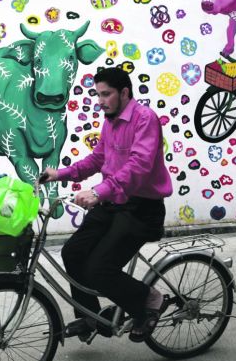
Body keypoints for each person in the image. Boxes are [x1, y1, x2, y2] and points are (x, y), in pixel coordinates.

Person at [41, 66, 173, 343]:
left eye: (106, 94)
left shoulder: (144, 119)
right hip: (114, 202)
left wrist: (100, 192)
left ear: (124, 92)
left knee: (99, 268)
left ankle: (151, 300)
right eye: (97, 94)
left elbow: (139, 166)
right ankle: (91, 317)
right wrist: (61, 174)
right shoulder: (110, 121)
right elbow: (98, 159)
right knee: (73, 253)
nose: (100, 101)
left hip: (141, 208)